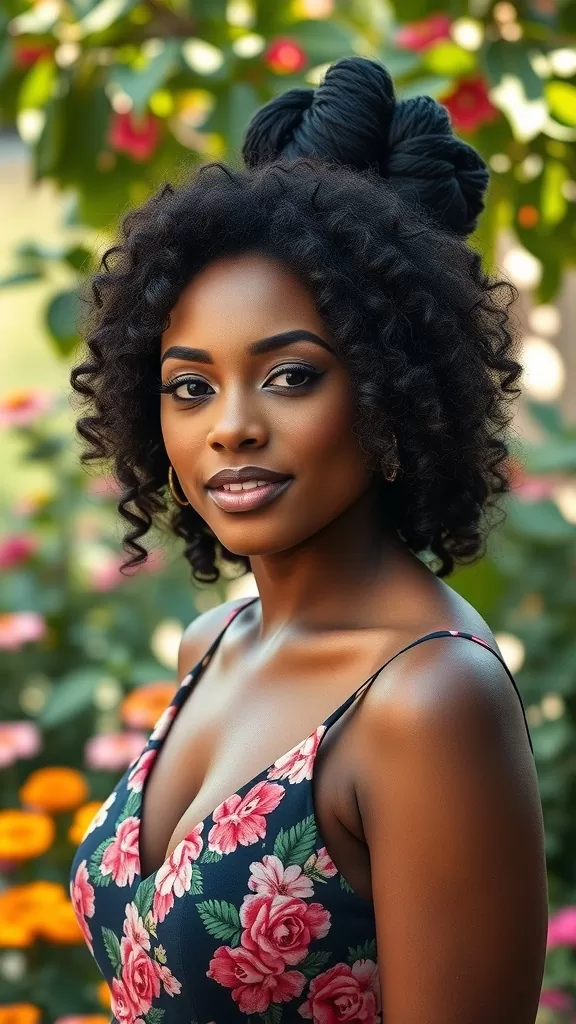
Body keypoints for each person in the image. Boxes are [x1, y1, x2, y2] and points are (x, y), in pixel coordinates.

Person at [68, 55, 547, 1024]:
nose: (231, 427)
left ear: (390, 390)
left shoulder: (427, 700)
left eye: (290, 376)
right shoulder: (213, 644)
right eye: (190, 386)